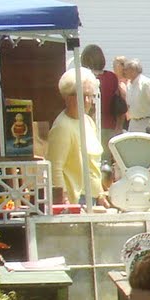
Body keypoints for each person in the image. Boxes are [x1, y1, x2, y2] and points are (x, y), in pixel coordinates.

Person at [46, 66, 108, 207]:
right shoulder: (62, 126)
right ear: (67, 97)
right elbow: (55, 167)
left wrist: (100, 194)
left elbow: (94, 165)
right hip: (75, 199)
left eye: (90, 95)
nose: (86, 101)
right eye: (80, 96)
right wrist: (64, 199)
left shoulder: (88, 121)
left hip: (92, 197)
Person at [83, 44, 127, 148]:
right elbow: (119, 102)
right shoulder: (112, 77)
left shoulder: (85, 78)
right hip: (110, 126)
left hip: (89, 126)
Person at [123, 57, 150, 133]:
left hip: (145, 124)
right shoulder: (129, 84)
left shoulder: (146, 83)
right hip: (133, 124)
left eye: (126, 69)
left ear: (133, 70)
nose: (124, 71)